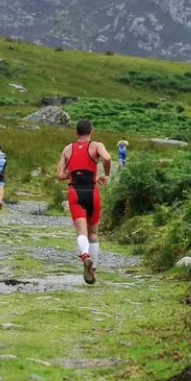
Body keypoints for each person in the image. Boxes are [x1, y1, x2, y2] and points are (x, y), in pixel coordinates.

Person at [56, 119, 113, 285]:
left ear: (76, 133)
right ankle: (93, 271)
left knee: (82, 231)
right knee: (93, 232)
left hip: (75, 192)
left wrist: (74, 172)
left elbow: (60, 175)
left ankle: (85, 256)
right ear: (91, 132)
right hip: (92, 192)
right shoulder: (96, 146)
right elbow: (107, 158)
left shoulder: (68, 149)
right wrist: (106, 175)